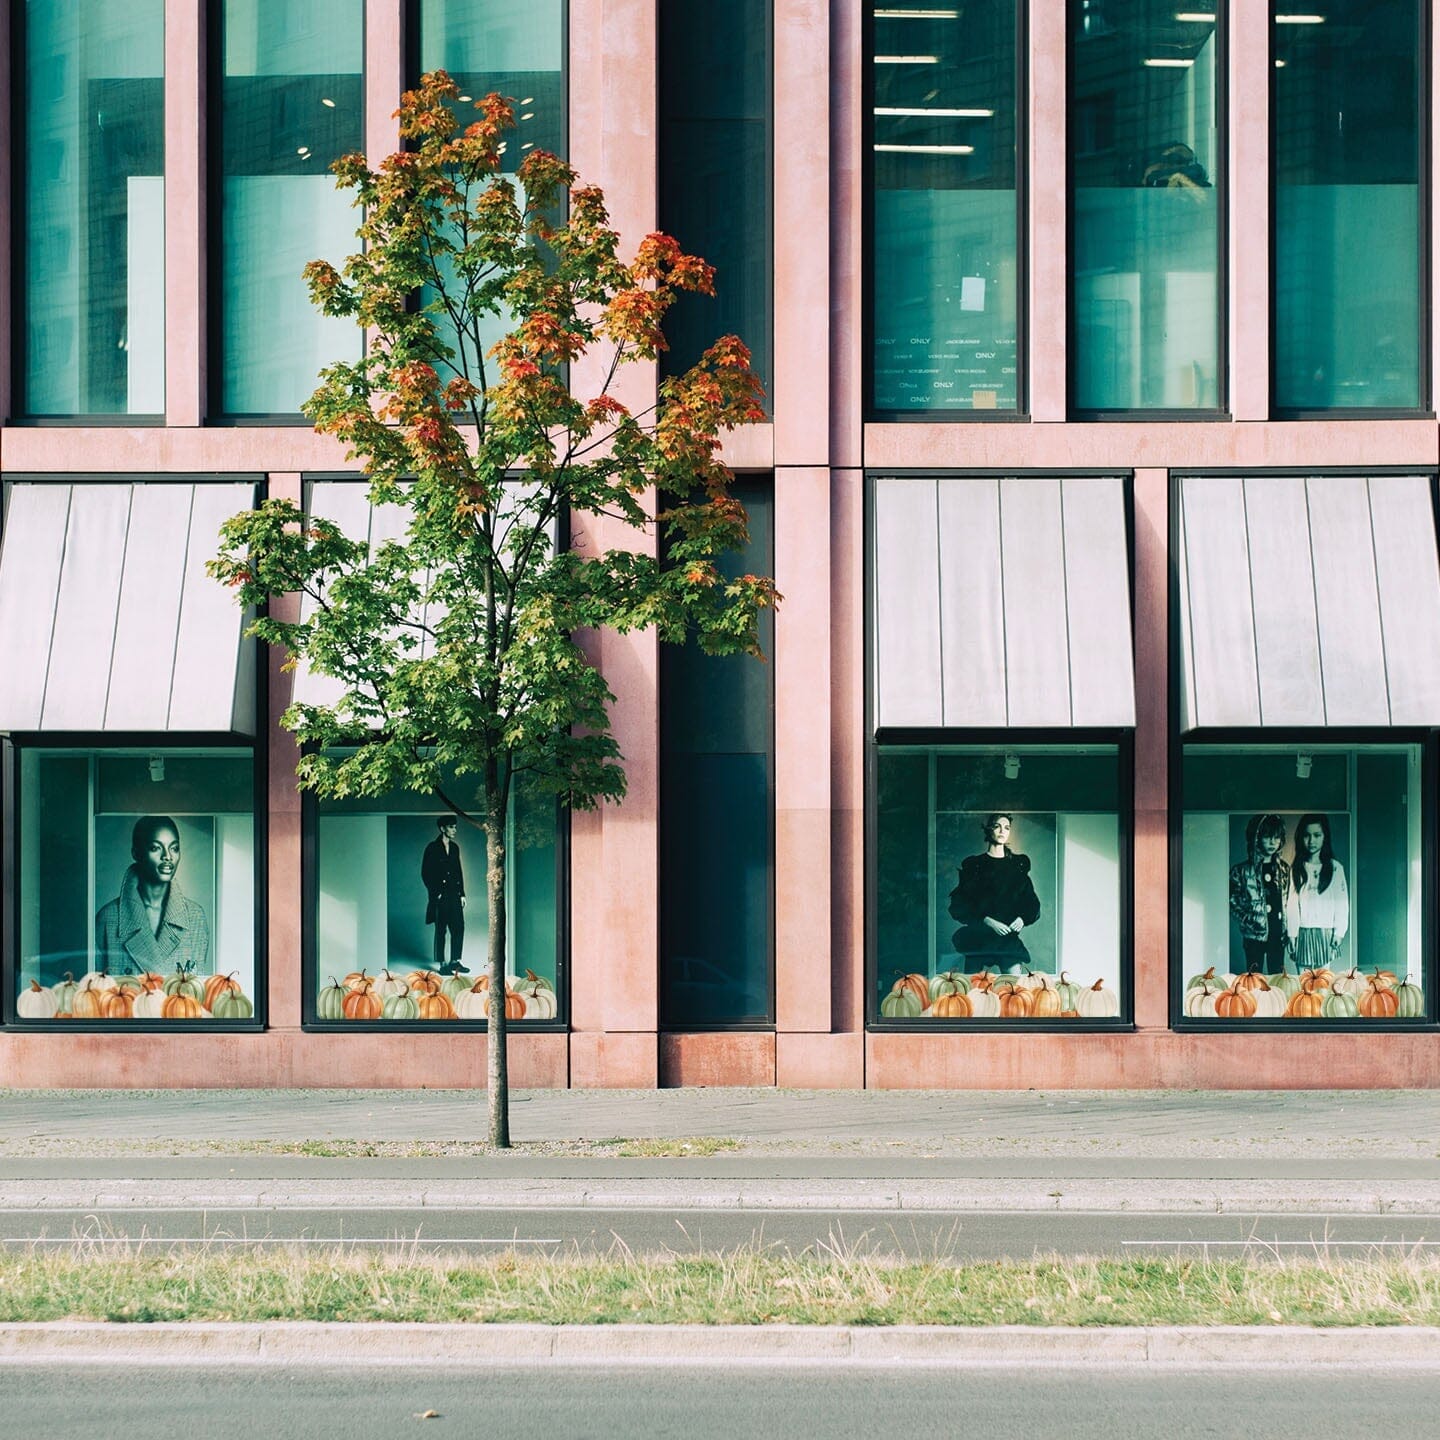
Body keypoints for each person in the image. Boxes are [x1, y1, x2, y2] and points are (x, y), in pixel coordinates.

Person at [94, 815, 210, 976]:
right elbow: (96, 994)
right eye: (156, 848)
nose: (167, 857)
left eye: (174, 848)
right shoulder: (108, 918)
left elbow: (199, 996)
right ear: (136, 853)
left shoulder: (195, 917)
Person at [948, 813, 1043, 971]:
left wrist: (1022, 918)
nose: (1002, 831)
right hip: (978, 939)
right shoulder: (974, 865)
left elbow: (1031, 902)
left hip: (1007, 941)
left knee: (1014, 991)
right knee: (972, 990)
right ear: (988, 829)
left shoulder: (1018, 865)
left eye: (1006, 828)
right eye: (997, 826)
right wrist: (987, 921)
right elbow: (960, 904)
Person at [1229, 813, 1292, 974]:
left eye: (1276, 837)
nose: (1272, 842)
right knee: (1253, 979)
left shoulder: (1284, 870)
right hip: (1254, 937)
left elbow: (1290, 901)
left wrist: (1289, 930)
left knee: (1277, 980)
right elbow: (1232, 901)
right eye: (1267, 837)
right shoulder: (1241, 871)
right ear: (1256, 838)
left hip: (1278, 935)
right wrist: (1248, 920)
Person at [1286, 813, 1349, 973]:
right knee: (1304, 983)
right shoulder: (1297, 869)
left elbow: (1342, 904)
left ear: (1324, 837)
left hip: (1325, 932)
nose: (1311, 841)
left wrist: (1339, 932)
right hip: (1303, 932)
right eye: (1307, 835)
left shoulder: (1335, 868)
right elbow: (1292, 905)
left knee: (1323, 981)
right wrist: (1292, 934)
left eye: (1317, 835)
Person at [422, 816, 468, 975]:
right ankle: (442, 964)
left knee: (459, 927)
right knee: (441, 929)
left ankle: (455, 961)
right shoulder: (432, 847)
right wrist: (436, 893)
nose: (455, 830)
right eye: (451, 827)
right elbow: (425, 873)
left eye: (455, 827)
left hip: (455, 894)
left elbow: (458, 872)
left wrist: (462, 893)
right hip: (440, 896)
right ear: (442, 829)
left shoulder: (455, 847)